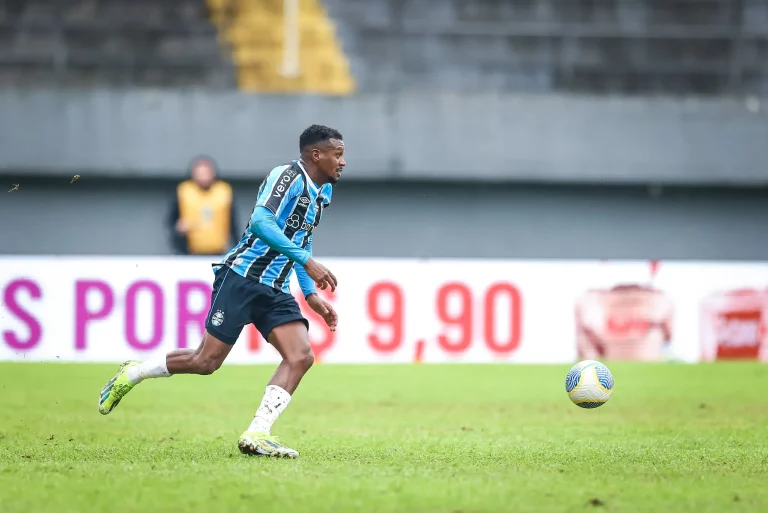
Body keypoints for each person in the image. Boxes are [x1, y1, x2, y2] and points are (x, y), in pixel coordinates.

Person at [98, 125, 345, 459]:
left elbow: (301, 238)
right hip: (241, 277)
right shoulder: (287, 176)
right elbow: (260, 221)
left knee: (301, 355)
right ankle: (134, 372)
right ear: (317, 155)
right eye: (338, 154)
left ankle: (258, 432)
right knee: (205, 361)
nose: (343, 162)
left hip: (275, 287)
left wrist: (309, 293)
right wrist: (308, 261)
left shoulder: (323, 192)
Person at [168, 156, 240, 256]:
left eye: (206, 173)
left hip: (218, 251)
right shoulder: (184, 191)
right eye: (199, 173)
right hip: (190, 252)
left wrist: (236, 248)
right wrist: (178, 227)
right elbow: (171, 221)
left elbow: (233, 223)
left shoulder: (223, 191)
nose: (203, 176)